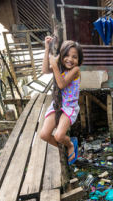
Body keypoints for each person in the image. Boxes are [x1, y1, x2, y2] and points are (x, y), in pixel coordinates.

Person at [40, 37, 83, 165]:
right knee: (44, 135)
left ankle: (70, 144)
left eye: (74, 57)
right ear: (61, 56)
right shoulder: (59, 67)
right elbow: (44, 70)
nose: (70, 59)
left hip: (69, 107)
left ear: (79, 60)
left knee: (59, 136)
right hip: (57, 105)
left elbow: (62, 84)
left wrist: (54, 66)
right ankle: (62, 148)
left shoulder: (76, 70)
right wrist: (47, 48)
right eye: (67, 56)